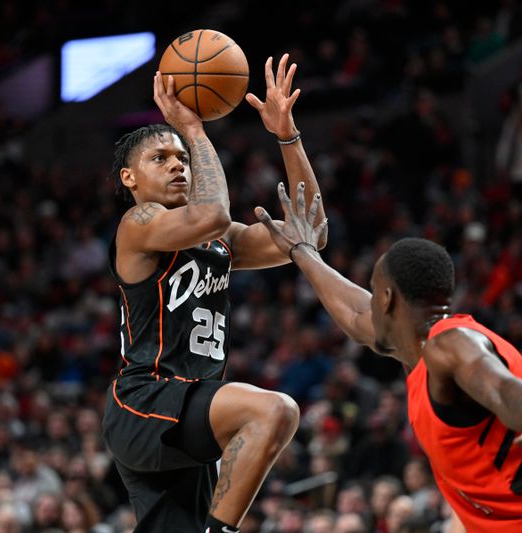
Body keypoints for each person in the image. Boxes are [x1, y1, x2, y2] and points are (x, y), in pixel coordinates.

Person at [253, 188, 522, 532]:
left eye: (373, 291)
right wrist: (301, 252)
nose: (368, 303)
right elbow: (354, 318)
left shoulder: (451, 343)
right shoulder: (416, 352)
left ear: (386, 299)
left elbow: (504, 389)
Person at [101, 54, 326, 533]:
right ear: (130, 178)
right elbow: (211, 216)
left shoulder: (221, 241)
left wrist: (287, 135)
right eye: (160, 159)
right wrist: (193, 130)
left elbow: (311, 231)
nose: (178, 166)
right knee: (275, 410)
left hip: (190, 415)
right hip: (147, 401)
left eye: (183, 158)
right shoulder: (137, 224)